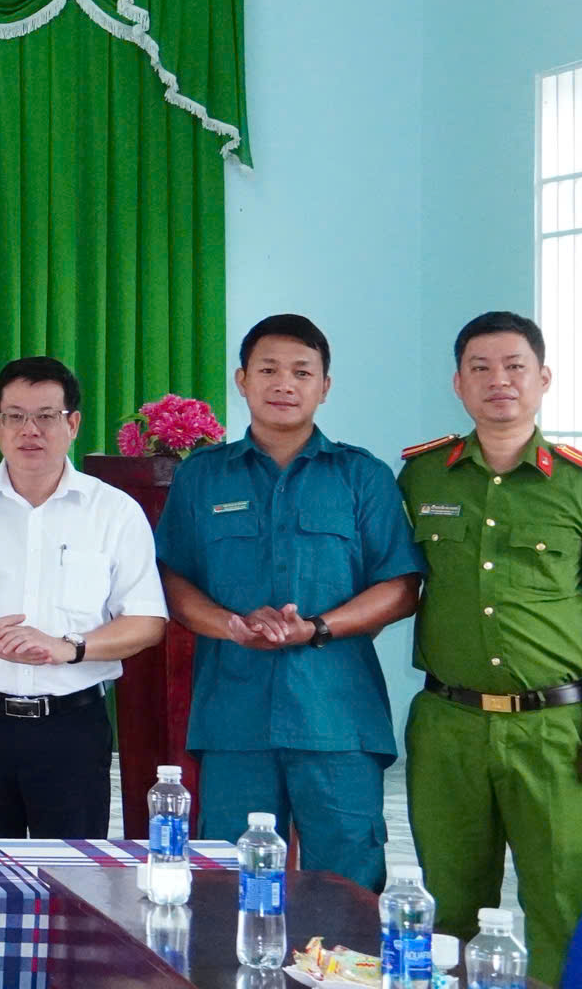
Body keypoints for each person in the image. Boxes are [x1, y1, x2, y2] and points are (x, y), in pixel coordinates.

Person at [399, 311, 582, 986]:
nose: (498, 380)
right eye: (480, 368)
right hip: (450, 725)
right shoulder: (422, 476)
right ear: (458, 383)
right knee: (449, 903)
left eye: (514, 367)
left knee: (559, 902)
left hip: (556, 729)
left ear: (543, 378)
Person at [154, 314, 420, 891]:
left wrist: (318, 627)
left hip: (338, 721)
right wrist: (229, 624)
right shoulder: (203, 476)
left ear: (325, 386)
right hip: (234, 720)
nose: (284, 384)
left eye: (302, 372)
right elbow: (172, 579)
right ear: (242, 380)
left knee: (346, 888)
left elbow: (401, 587)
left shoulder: (362, 476)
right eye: (268, 370)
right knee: (231, 885)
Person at [0, 355, 167, 838]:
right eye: (14, 416)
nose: (29, 430)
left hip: (72, 724)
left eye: (46, 416)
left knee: (73, 873)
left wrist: (68, 648)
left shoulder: (114, 511)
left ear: (72, 424)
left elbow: (146, 621)